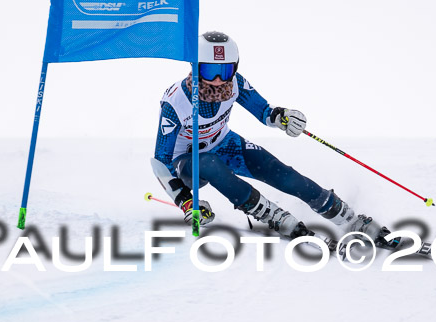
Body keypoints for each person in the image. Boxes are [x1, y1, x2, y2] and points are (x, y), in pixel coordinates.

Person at [151, 31, 388, 244]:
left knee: (283, 175)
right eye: (208, 70)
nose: (217, 80)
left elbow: (264, 111)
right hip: (187, 163)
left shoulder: (236, 84)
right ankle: (274, 216)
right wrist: (186, 201)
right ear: (194, 67)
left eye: (224, 70)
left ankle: (349, 219)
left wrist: (282, 117)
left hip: (225, 144)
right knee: (208, 163)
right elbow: (160, 161)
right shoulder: (176, 102)